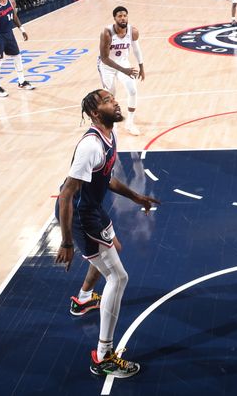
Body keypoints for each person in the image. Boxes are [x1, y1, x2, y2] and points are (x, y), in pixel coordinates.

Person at [54, 89, 160, 378]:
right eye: (107, 101)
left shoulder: (109, 136)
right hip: (81, 216)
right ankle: (104, 356)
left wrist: (136, 197)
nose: (114, 101)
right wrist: (66, 242)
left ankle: (85, 298)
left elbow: (106, 177)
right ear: (95, 113)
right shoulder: (90, 146)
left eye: (112, 98)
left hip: (93, 210)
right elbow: (66, 195)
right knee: (118, 276)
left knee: (111, 253)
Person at [97, 6, 145, 135]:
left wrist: (141, 67)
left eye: (125, 15)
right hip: (107, 66)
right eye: (119, 16)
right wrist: (124, 70)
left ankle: (129, 123)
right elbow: (104, 58)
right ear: (114, 18)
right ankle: (110, 122)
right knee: (110, 95)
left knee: (133, 90)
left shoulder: (133, 31)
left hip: (123, 63)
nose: (123, 18)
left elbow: (136, 49)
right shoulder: (106, 33)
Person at [0, 0, 34, 97]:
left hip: (9, 34)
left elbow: (15, 17)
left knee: (17, 56)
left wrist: (22, 29)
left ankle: (21, 81)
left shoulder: (11, 2)